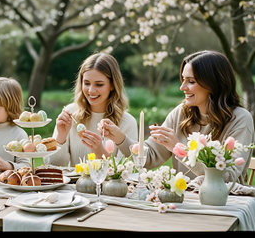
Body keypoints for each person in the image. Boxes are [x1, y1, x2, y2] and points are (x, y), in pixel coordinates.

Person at [98, 50, 254, 183]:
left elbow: (227, 178)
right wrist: (120, 139)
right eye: (183, 80)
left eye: (191, 81)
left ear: (213, 84)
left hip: (225, 205)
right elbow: (151, 156)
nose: (182, 87)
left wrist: (178, 149)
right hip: (183, 200)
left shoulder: (239, 119)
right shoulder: (182, 113)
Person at [47, 52, 137, 166]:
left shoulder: (127, 122)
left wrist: (100, 151)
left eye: (99, 84)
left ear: (113, 85)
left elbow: (126, 173)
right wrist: (60, 138)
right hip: (75, 184)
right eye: (87, 83)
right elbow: (54, 166)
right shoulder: (70, 114)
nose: (91, 90)